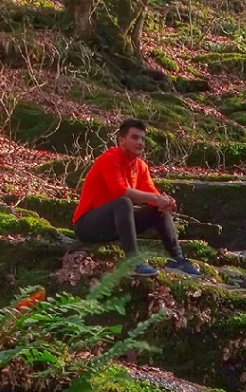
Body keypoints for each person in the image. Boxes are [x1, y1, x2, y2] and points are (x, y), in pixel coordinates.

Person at [72, 118, 201, 277]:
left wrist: (165, 202)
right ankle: (133, 261)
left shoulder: (141, 166)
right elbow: (120, 190)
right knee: (124, 202)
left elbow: (153, 196)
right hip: (87, 225)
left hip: (114, 227)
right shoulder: (111, 157)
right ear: (122, 140)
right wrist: (156, 197)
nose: (140, 142)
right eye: (134, 137)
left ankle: (177, 259)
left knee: (157, 209)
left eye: (142, 138)